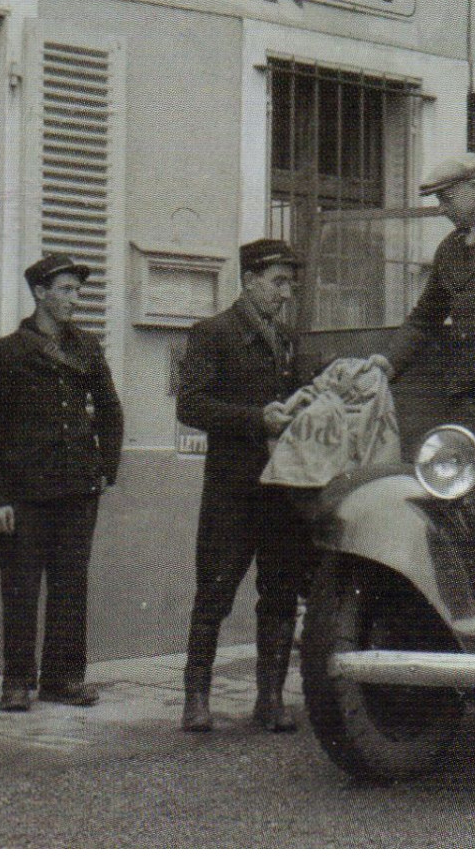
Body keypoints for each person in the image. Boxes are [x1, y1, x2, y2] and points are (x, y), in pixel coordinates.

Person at [0, 253, 125, 713]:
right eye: (65, 290)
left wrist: (106, 469)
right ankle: (17, 682)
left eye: (78, 290)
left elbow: (110, 409)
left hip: (77, 490)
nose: (74, 299)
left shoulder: (87, 349)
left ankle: (63, 680)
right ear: (40, 292)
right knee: (20, 588)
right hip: (24, 494)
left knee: (71, 587)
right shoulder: (4, 354)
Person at [176, 238, 311, 734]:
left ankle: (270, 699)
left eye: (290, 284)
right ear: (249, 280)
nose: (285, 293)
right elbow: (190, 406)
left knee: (278, 594)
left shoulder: (288, 339)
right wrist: (258, 419)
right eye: (277, 282)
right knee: (214, 593)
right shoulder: (212, 333)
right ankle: (195, 699)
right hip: (232, 490)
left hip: (282, 490)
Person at [373, 152, 475, 485]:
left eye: (447, 198)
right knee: (466, 481)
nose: (441, 208)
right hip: (469, 394)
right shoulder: (450, 249)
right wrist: (387, 363)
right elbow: (425, 317)